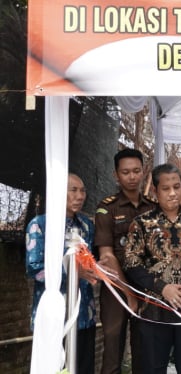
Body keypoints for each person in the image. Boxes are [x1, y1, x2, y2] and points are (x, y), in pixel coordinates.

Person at [123, 163, 181, 374]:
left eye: (177, 186)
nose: (172, 193)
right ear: (155, 190)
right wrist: (162, 287)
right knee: (153, 368)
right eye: (166, 188)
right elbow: (131, 263)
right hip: (154, 311)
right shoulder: (142, 224)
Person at [26, 173, 97, 373]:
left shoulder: (86, 226)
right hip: (55, 315)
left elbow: (89, 261)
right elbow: (35, 268)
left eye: (82, 190)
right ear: (58, 192)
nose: (80, 196)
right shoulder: (40, 225)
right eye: (73, 190)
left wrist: (98, 269)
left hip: (85, 314)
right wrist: (73, 272)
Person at [95, 148, 156, 374]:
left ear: (143, 172)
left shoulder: (153, 207)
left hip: (148, 287)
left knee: (145, 350)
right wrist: (129, 294)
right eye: (126, 172)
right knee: (113, 350)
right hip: (116, 289)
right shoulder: (106, 208)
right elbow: (107, 256)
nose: (132, 177)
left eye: (136, 171)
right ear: (116, 175)